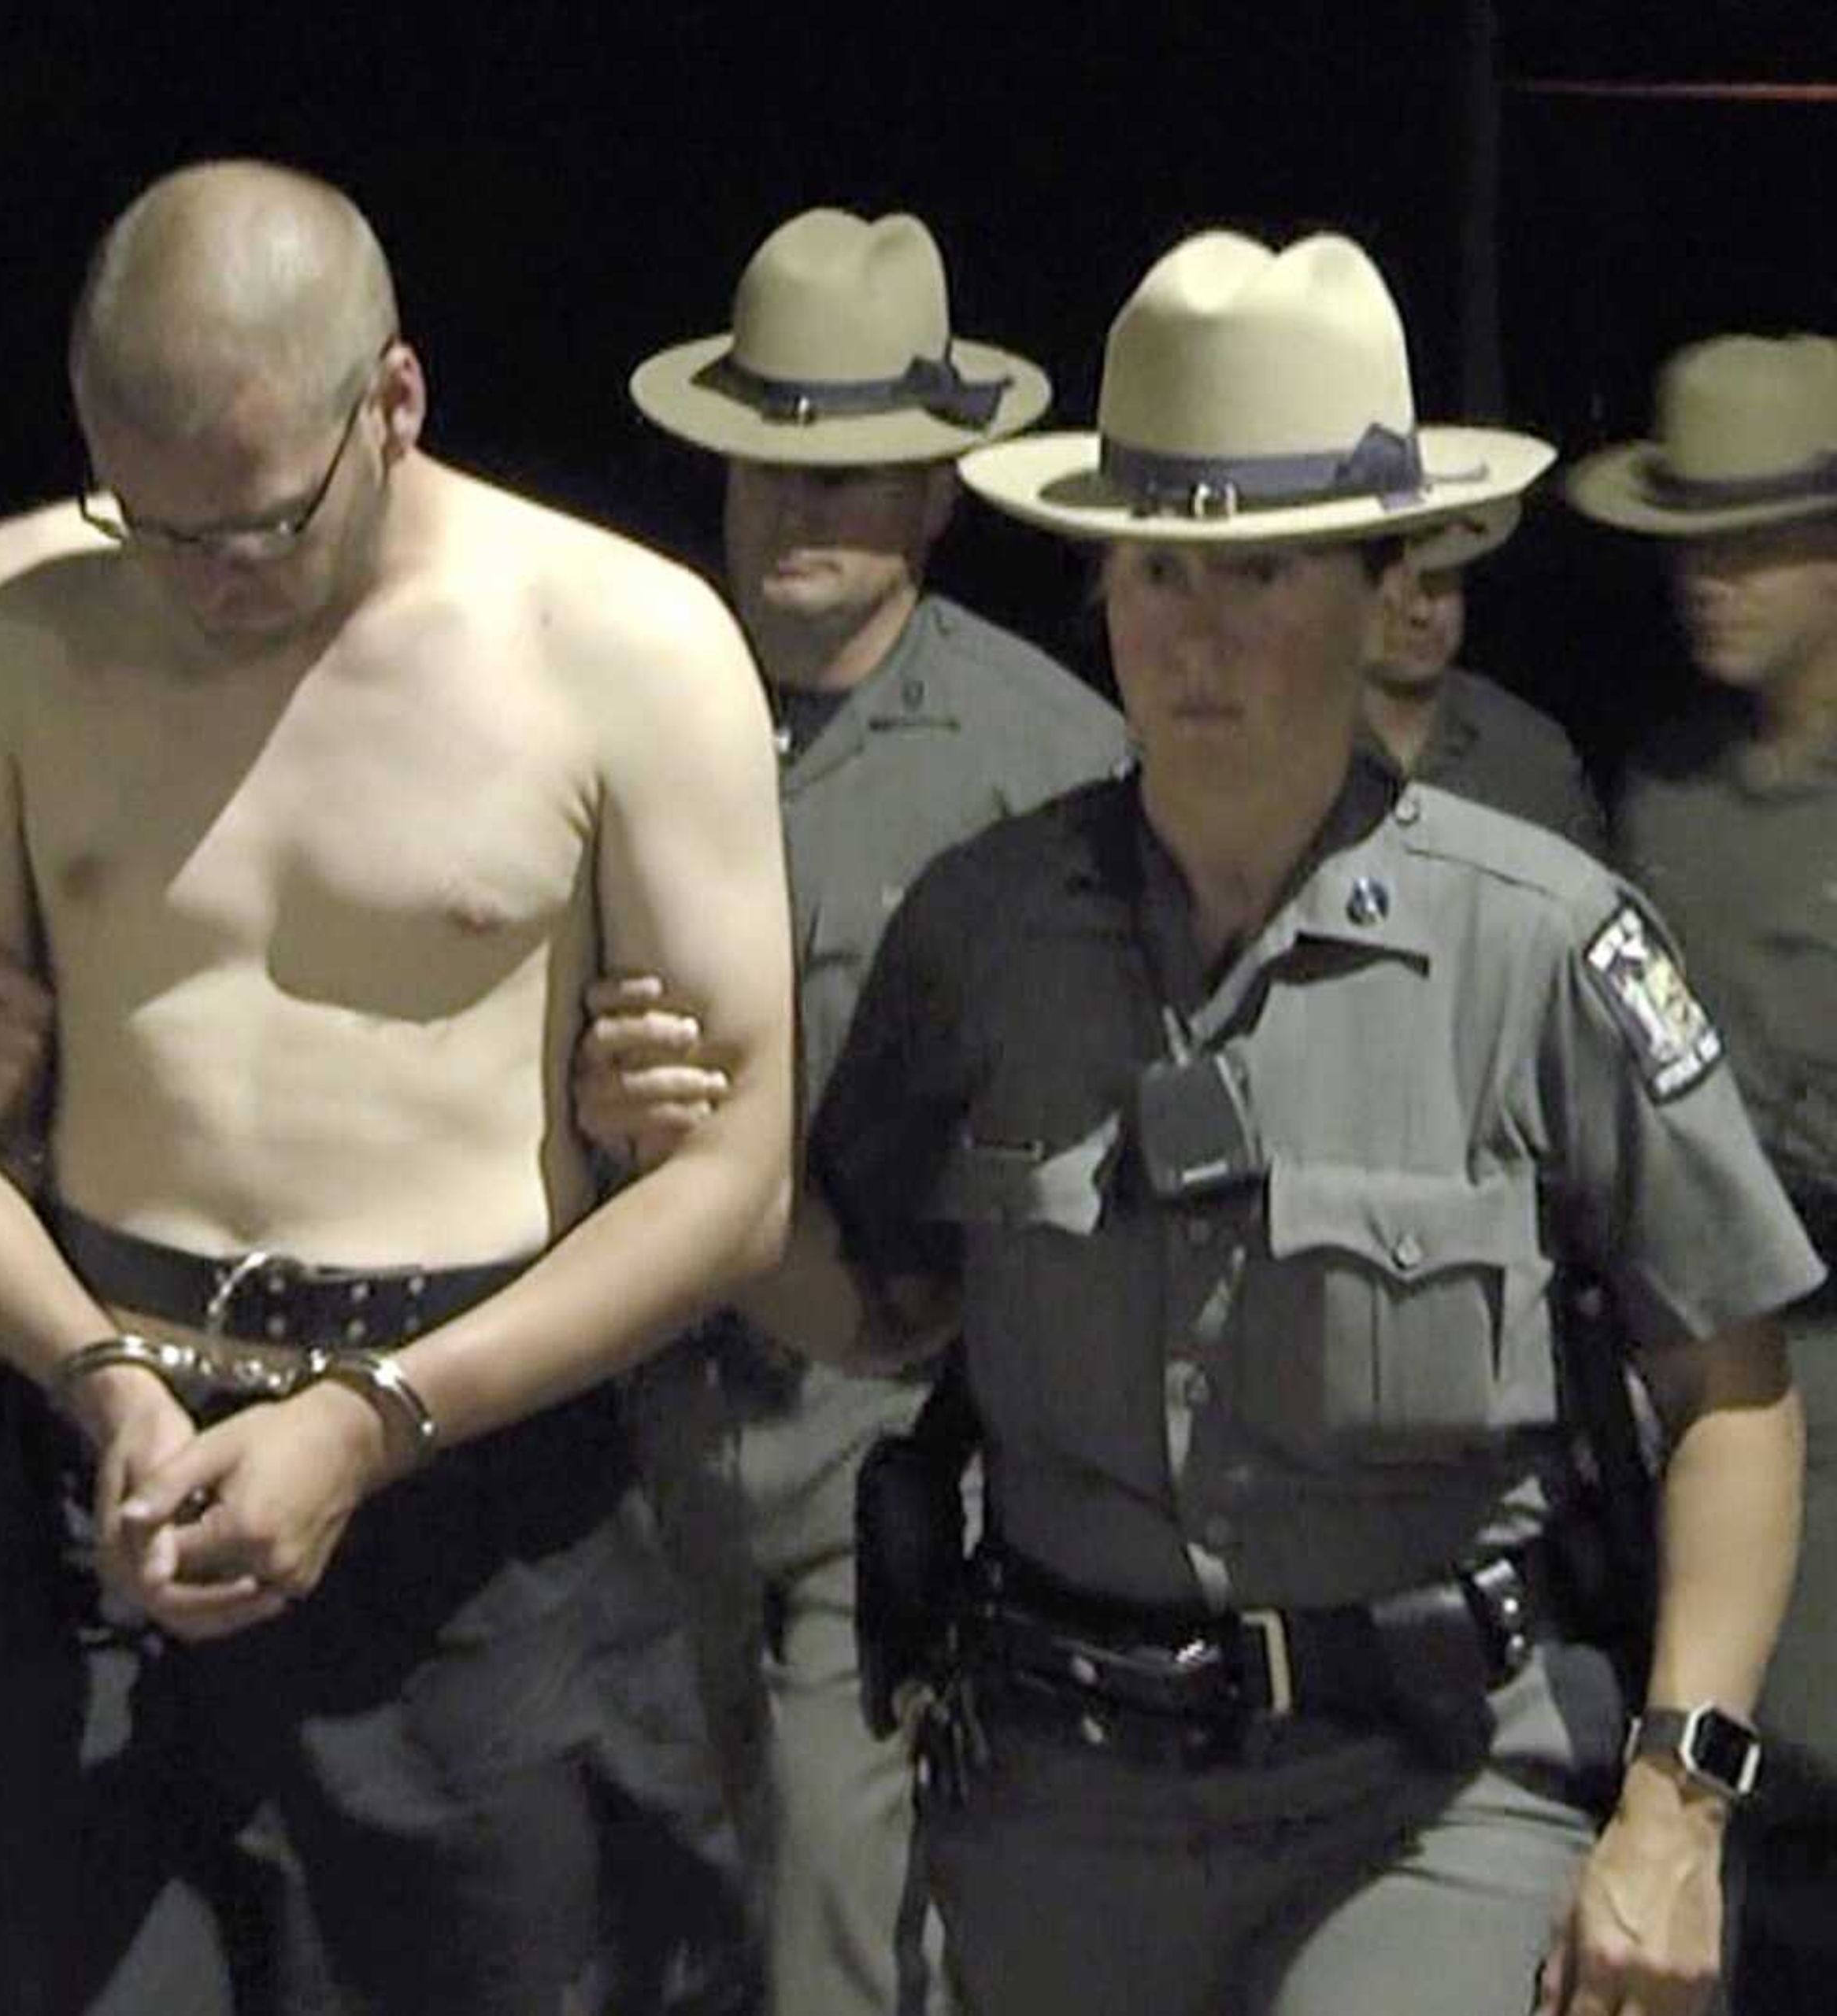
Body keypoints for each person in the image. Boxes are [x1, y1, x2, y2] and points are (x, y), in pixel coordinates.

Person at [776, 231, 1812, 2014]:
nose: (1195, 634)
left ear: (1373, 584)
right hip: (1057, 1805)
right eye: (1157, 567)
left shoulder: (1540, 942)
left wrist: (1670, 1806)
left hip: (1422, 1790)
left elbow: (1728, 1389)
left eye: (1257, 576)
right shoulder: (985, 929)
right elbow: (869, 1302)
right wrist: (687, 1154)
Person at [0, 160, 794, 2014]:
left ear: (395, 401)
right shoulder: (12, 625)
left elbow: (735, 1178)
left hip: (473, 1485)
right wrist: (87, 1365)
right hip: (104, 1458)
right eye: (150, 523)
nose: (204, 583)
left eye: (258, 525)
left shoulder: (621, 642)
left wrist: (368, 1419)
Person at [595, 205, 1124, 2016]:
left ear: (937, 494)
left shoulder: (1041, 767)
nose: (797, 507)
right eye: (763, 460)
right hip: (607, 1446)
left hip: (883, 1445)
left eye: (851, 470)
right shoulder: (614, 698)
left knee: (842, 1927)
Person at [1570, 331, 1837, 2014]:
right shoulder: (1657, 789)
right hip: (1699, 1425)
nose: (1703, 578)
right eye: (1687, 537)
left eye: (1747, 537)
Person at [1355, 498, 1607, 852]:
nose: (1422, 611)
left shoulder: (1531, 756)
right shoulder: (1282, 753)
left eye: (1441, 579)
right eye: (1391, 591)